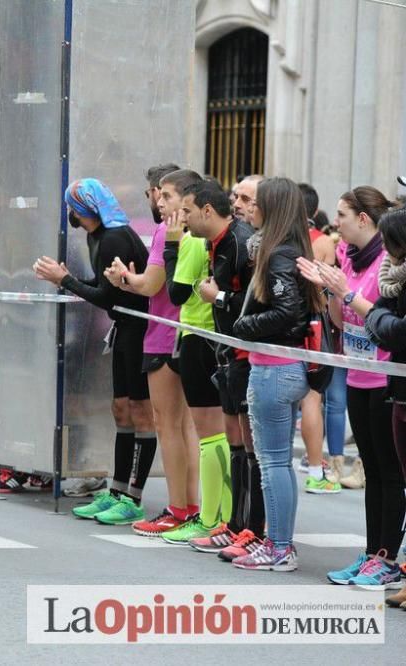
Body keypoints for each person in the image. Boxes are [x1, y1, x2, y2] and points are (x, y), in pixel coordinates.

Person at [299, 186, 404, 588]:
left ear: (363, 218)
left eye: (342, 214)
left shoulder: (387, 263)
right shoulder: (350, 260)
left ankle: (388, 557)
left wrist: (347, 292)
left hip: (384, 378)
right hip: (356, 372)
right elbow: (345, 325)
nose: (335, 222)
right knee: (372, 472)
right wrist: (328, 291)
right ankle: (371, 551)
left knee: (389, 472)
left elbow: (383, 325)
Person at [35, 178, 157, 523]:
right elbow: (103, 288)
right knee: (121, 409)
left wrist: (64, 280)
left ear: (84, 209)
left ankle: (131, 496)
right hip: (124, 330)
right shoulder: (98, 236)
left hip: (139, 331)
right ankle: (117, 490)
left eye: (72, 206)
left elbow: (106, 297)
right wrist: (67, 280)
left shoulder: (115, 237)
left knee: (140, 411)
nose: (70, 212)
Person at [230, 176, 322, 572]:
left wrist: (243, 326)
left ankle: (279, 546)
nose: (250, 208)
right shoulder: (285, 248)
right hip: (279, 367)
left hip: (276, 369)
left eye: (257, 202)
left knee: (272, 463)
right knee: (276, 462)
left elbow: (289, 314)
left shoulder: (280, 253)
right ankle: (278, 543)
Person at [107, 167, 199, 535]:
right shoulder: (200, 231)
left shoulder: (167, 232)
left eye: (167, 196)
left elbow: (151, 285)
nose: (159, 203)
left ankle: (180, 509)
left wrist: (123, 279)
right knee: (189, 428)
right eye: (158, 195)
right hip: (188, 333)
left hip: (164, 336)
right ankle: (194, 509)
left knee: (170, 426)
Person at [179, 181, 264, 561]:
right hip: (229, 352)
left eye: (186, 210)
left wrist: (220, 297)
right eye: (237, 198)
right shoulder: (217, 243)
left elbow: (254, 302)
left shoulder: (243, 242)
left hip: (251, 356)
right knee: (235, 441)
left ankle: (251, 529)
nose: (239, 204)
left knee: (252, 446)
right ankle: (232, 525)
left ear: (206, 211)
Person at [158, 174, 231, 545]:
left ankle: (210, 518)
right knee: (221, 434)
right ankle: (222, 518)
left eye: (179, 205)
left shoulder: (191, 243)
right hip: (213, 339)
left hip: (197, 339)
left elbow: (175, 293)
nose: (176, 213)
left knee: (209, 435)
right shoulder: (214, 242)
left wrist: (171, 248)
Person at [364, 205, 406, 605]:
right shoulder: (396, 279)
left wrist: (373, 316)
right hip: (400, 391)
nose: (388, 254)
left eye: (391, 244)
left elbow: (398, 333)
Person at [296, 182, 337, 493]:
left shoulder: (279, 238)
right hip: (313, 324)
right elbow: (328, 292)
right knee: (312, 397)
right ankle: (314, 470)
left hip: (281, 326)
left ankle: (279, 462)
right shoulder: (323, 242)